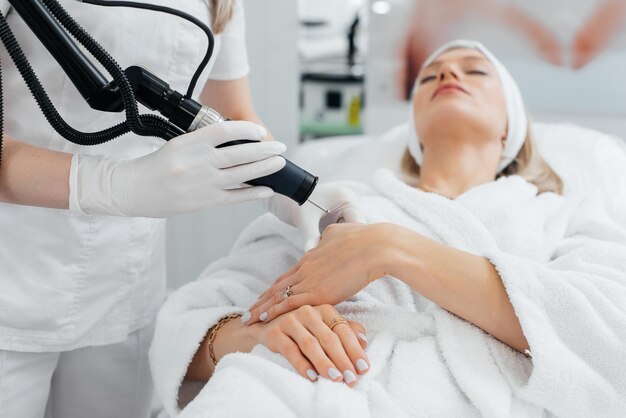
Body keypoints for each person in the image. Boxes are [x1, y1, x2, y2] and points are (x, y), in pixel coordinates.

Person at [150, 40, 626, 417]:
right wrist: (251, 334)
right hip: (282, 388)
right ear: (415, 129)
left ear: (511, 126)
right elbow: (188, 323)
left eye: (474, 71)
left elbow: (608, 337)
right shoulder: (332, 203)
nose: (448, 74)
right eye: (431, 76)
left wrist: (390, 247)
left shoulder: (561, 216)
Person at [0, 1, 359, 417]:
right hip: (12, 271)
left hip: (125, 289)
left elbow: (233, 113)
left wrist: (291, 188)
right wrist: (111, 185)